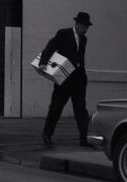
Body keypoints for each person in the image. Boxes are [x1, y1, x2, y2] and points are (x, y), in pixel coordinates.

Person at [38, 11, 92, 148]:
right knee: (56, 107)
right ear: (77, 24)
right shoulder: (64, 34)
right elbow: (50, 46)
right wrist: (43, 62)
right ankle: (47, 134)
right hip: (63, 78)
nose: (85, 30)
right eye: (84, 27)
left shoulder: (83, 40)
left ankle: (83, 138)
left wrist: (84, 78)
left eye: (87, 27)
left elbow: (80, 59)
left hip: (78, 80)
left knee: (80, 109)